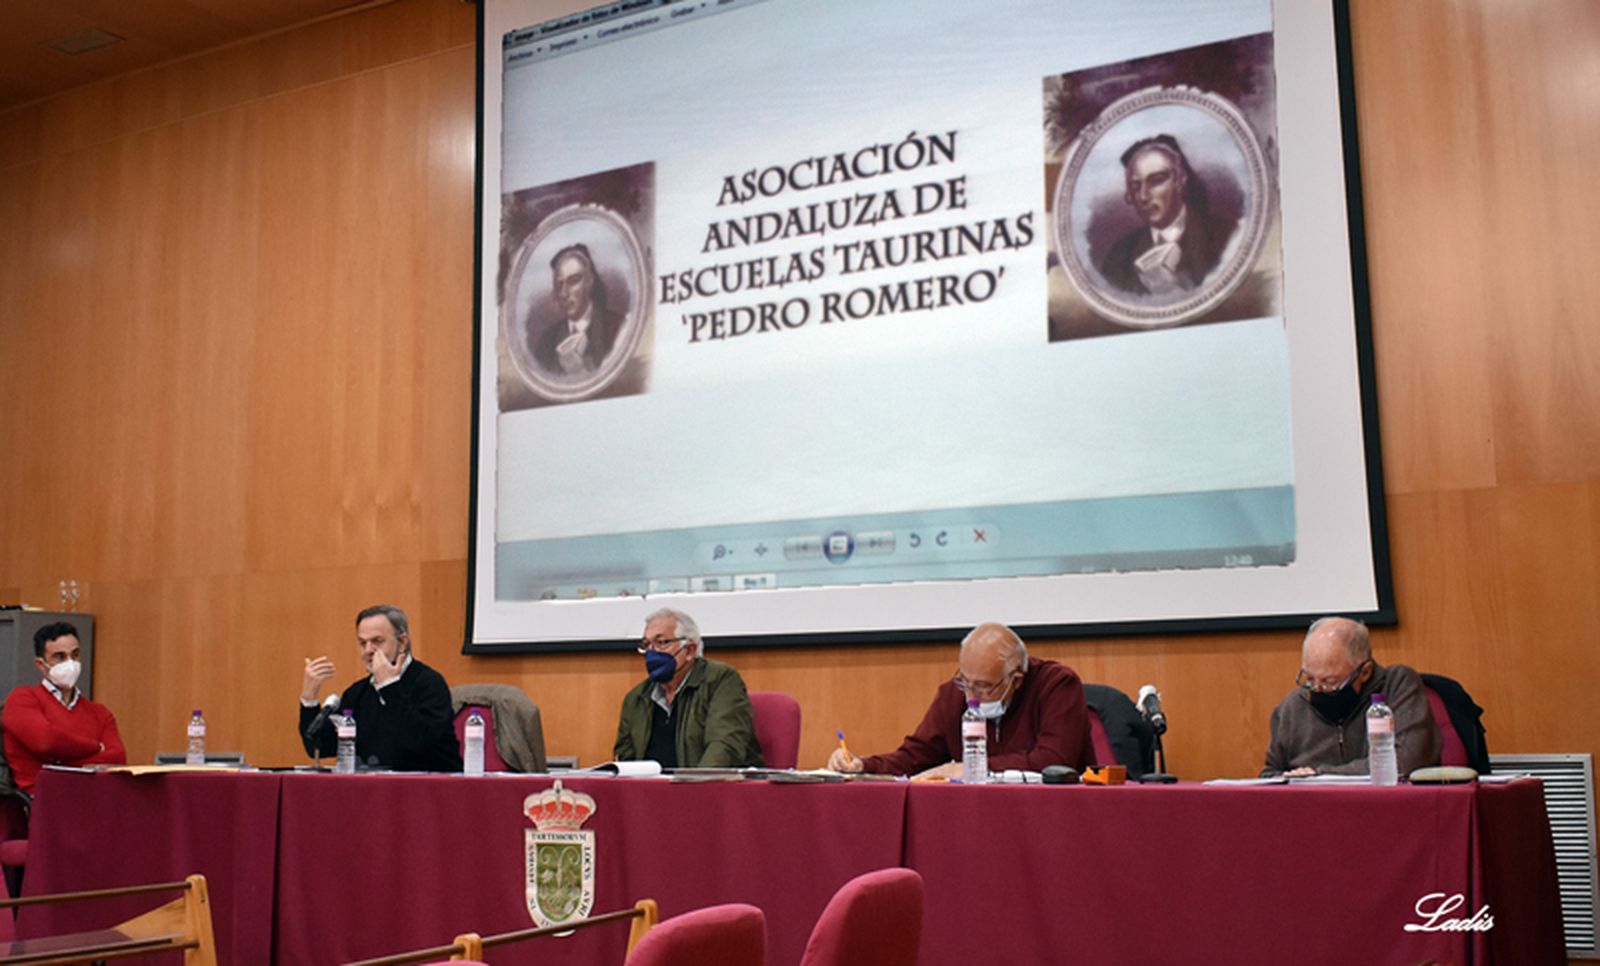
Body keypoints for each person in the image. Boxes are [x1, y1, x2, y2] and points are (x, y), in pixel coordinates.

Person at [828, 622, 1091, 777]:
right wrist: (863, 765)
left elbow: (1053, 761)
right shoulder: (954, 695)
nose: (971, 695)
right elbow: (915, 757)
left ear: (1016, 680)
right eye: (966, 681)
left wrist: (969, 769)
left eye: (984, 686)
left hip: (1052, 815)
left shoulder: (1057, 685)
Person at [1262, 616, 1440, 777]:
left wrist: (1319, 775)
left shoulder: (1397, 684)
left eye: (1329, 681)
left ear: (1364, 672)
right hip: (1313, 809)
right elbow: (1270, 774)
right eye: (1309, 678)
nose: (1317, 689)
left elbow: (1405, 762)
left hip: (1385, 806)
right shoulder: (1293, 706)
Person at [299, 604, 462, 772]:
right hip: (376, 789)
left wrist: (389, 687)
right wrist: (309, 699)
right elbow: (319, 747)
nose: (368, 650)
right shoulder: (358, 693)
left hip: (430, 788)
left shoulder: (429, 683)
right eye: (363, 643)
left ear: (402, 642)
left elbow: (418, 741)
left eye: (377, 641)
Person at [613, 608, 763, 769]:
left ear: (690, 650)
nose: (652, 652)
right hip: (653, 790)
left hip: (710, 788)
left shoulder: (720, 680)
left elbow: (725, 747)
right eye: (647, 644)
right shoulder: (637, 697)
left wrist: (694, 788)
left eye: (661, 643)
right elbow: (626, 759)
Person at [1098, 134, 1236, 297]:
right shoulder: (1119, 257)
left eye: (1156, 181)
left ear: (1179, 180)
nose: (1143, 196)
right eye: (1136, 186)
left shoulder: (1228, 236)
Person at [2, 621, 126, 792]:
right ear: (41, 664)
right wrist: (96, 747)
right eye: (59, 657)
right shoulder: (22, 699)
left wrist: (58, 764)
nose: (70, 663)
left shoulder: (100, 713)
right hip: (43, 799)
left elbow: (117, 757)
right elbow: (45, 742)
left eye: (75, 655)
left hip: (94, 795)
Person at [532, 243, 622, 375]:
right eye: (559, 285)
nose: (564, 294)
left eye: (573, 281)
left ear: (589, 282)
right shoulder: (546, 343)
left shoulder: (618, 329)